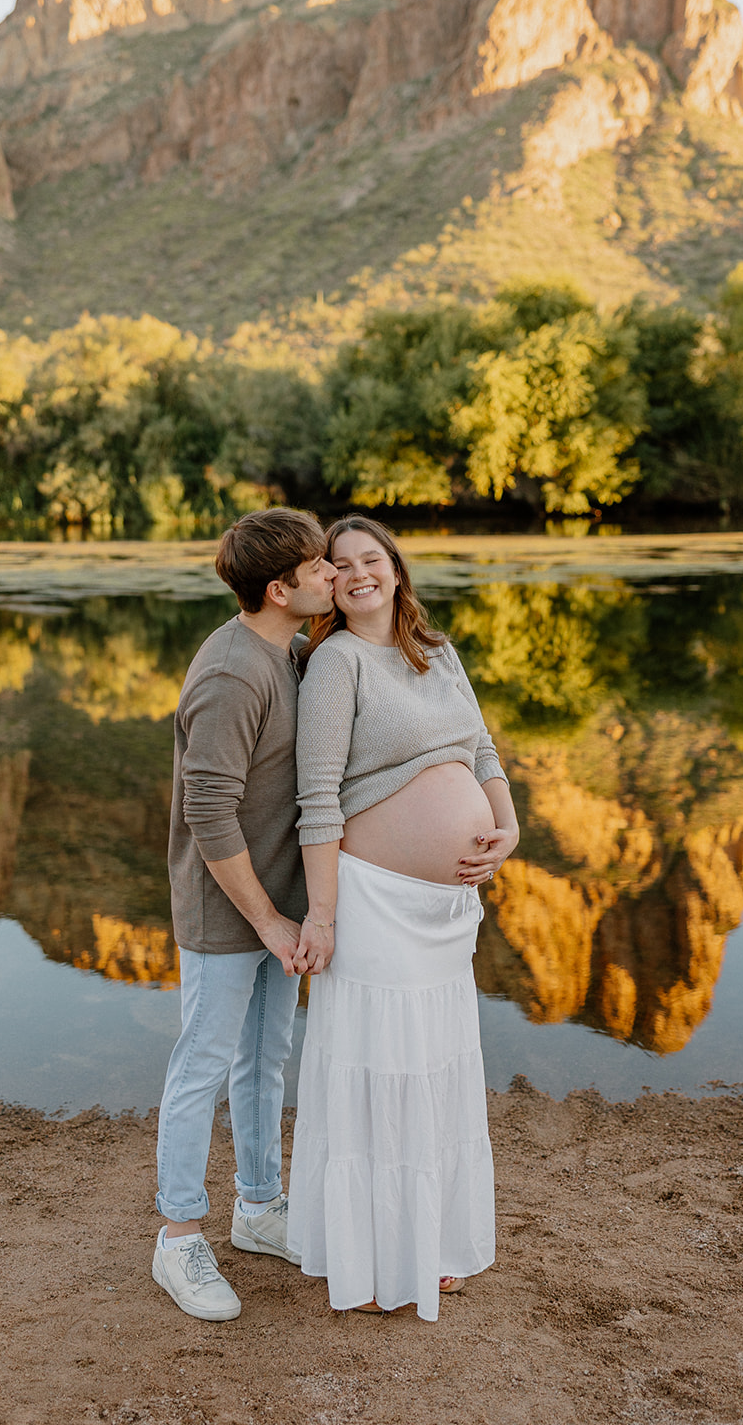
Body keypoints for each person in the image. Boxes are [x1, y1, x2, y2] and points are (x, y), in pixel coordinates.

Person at [287, 514, 519, 1322]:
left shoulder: (438, 652)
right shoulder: (334, 664)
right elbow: (315, 800)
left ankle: (436, 1242)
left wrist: (507, 826)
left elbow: (483, 752)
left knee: (431, 1066)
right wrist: (322, 916)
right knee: (382, 1069)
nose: (357, 573)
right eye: (339, 564)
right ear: (327, 582)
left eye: (369, 559)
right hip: (375, 904)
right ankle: (380, 1255)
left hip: (445, 909)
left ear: (394, 568)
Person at [152, 508, 338, 1322]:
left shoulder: (293, 653)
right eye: (320, 565)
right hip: (231, 911)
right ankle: (177, 1239)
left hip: (281, 906)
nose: (333, 573)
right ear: (279, 587)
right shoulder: (233, 674)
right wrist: (265, 920)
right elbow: (209, 812)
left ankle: (259, 1209)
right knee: (203, 1063)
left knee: (264, 1060)